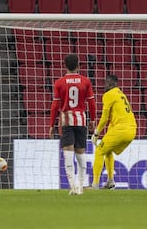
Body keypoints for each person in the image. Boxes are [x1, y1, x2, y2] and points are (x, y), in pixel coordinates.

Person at [49, 54, 96, 195]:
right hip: (81, 120)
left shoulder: (59, 82)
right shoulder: (85, 81)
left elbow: (55, 105)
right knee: (81, 154)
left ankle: (73, 186)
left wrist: (51, 124)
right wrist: (93, 120)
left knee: (68, 155)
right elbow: (92, 103)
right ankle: (81, 187)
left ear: (65, 65)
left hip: (66, 121)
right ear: (78, 65)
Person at [91, 75, 137, 189]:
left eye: (106, 83)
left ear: (111, 84)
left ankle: (95, 184)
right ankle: (110, 181)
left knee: (99, 150)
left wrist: (96, 133)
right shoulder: (121, 94)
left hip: (122, 129)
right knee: (108, 150)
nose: (104, 85)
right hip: (132, 130)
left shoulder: (108, 95)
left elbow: (104, 118)